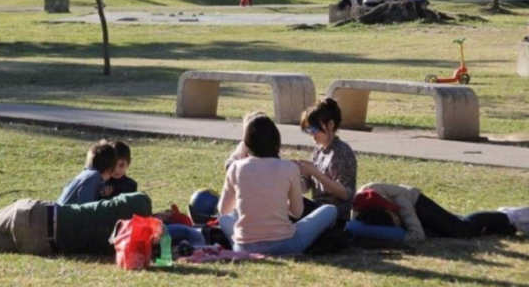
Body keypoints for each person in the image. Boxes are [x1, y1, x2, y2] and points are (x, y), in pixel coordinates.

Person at [218, 114, 337, 255]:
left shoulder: (236, 167)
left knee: (225, 219)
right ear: (276, 140)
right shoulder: (289, 168)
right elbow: (296, 212)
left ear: (246, 143)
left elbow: (223, 211)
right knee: (330, 210)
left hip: (245, 247)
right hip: (286, 245)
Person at [0, 193, 152, 255]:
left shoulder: (109, 209)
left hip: (35, 215)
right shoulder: (113, 243)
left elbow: (139, 199)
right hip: (40, 244)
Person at [352, 183, 529, 243]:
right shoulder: (361, 212)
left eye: (394, 219)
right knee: (443, 234)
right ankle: (507, 226)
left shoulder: (401, 203)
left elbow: (417, 236)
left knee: (460, 228)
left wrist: (400, 231)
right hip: (401, 210)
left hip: (415, 201)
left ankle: (511, 215)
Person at [294, 98, 357, 225]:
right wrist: (292, 176)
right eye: (308, 129)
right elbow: (306, 187)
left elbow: (346, 194)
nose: (311, 134)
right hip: (318, 209)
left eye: (315, 129)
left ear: (330, 125)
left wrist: (315, 173)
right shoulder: (318, 150)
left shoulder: (342, 152)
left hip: (335, 216)